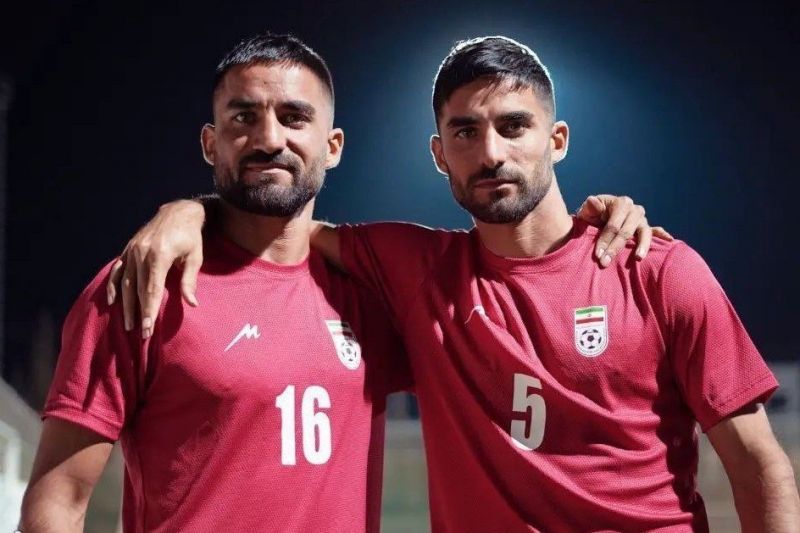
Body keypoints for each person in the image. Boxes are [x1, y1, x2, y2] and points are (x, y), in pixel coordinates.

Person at [115, 36, 800, 531]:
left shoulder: (657, 270)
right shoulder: (415, 268)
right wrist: (187, 212)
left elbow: (759, 467)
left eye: (513, 126)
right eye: (465, 132)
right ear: (440, 153)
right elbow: (277, 222)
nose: (491, 153)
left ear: (557, 139)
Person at [19, 34, 651, 532]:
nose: (269, 138)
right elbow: (57, 498)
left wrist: (593, 232)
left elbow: (527, 316)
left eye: (294, 117)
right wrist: (187, 211)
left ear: (333, 146)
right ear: (211, 143)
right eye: (243, 118)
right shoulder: (144, 282)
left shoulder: (377, 297)